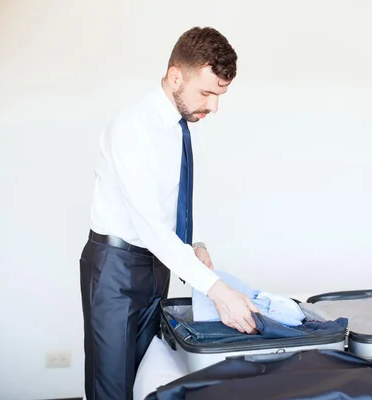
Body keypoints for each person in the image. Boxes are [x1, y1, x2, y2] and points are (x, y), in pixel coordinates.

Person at [79, 26, 259, 400]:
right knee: (112, 389)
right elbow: (147, 226)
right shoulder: (132, 129)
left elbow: (161, 214)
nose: (213, 106)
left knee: (149, 378)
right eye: (207, 93)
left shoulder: (179, 129)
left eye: (220, 95)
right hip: (116, 271)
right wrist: (218, 291)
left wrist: (193, 246)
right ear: (176, 76)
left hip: (156, 265)